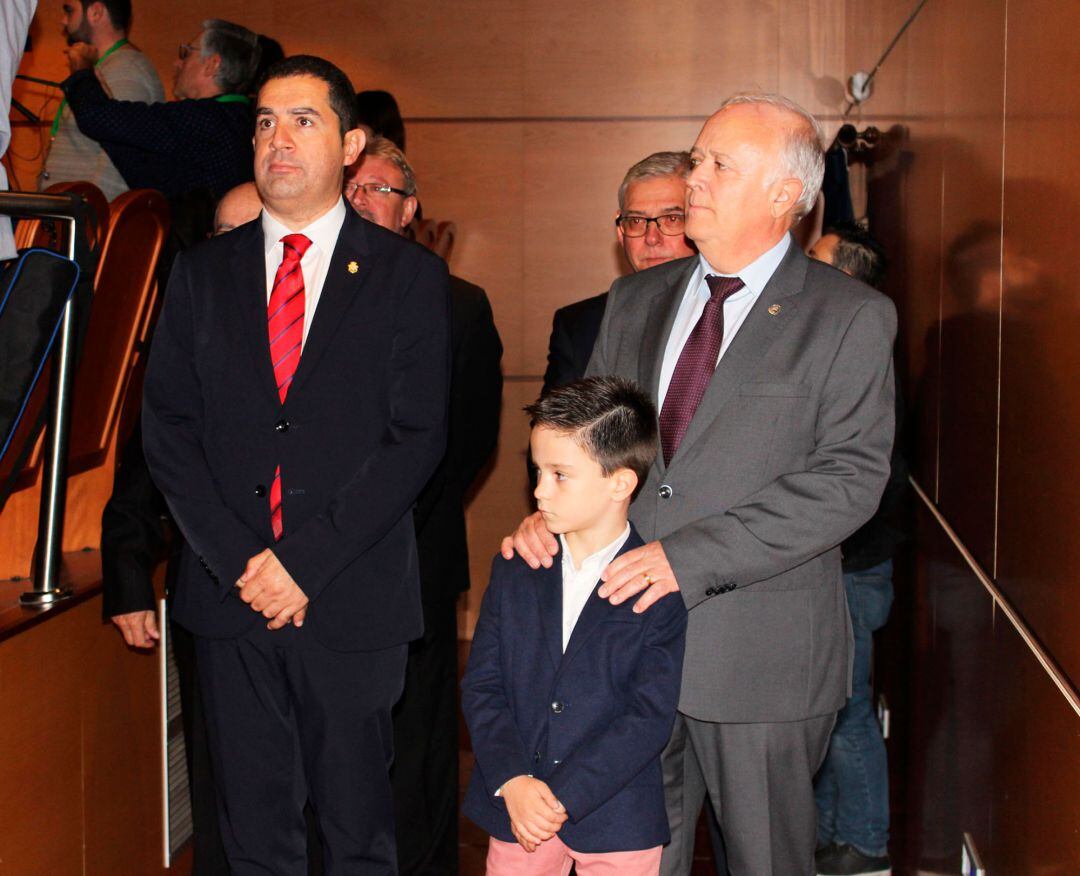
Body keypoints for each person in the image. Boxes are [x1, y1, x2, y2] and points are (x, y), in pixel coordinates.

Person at [503, 93, 897, 876]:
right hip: (628, 652)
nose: (696, 178)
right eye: (697, 158)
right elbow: (596, 442)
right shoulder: (635, 298)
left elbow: (850, 479)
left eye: (721, 164)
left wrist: (690, 557)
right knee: (638, 859)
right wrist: (551, 510)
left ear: (788, 195)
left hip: (761, 659)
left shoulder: (849, 317)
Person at [141, 55, 450, 875]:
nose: (279, 140)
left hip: (348, 601)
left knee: (356, 837)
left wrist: (300, 563)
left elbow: (415, 439)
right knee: (250, 840)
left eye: (303, 121)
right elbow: (167, 430)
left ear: (351, 145)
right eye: (265, 122)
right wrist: (249, 563)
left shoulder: (408, 277)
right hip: (230, 598)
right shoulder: (202, 272)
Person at [345, 134, 503, 875]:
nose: (362, 200)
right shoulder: (300, 299)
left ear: (410, 211)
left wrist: (377, 528)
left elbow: (467, 443)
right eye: (352, 188)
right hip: (315, 567)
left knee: (421, 744)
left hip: (416, 557)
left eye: (380, 189)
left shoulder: (460, 304)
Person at [464, 376, 687, 876]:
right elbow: (483, 685)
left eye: (560, 474)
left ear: (621, 482)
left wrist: (563, 798)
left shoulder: (657, 586)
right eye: (537, 470)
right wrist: (514, 781)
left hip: (616, 815)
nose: (539, 491)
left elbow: (648, 716)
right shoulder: (516, 568)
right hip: (518, 808)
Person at [810, 223, 906, 876]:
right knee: (825, 708)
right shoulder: (835, 342)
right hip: (842, 564)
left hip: (853, 565)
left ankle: (867, 845)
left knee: (845, 711)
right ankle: (825, 836)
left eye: (814, 261)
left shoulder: (860, 350)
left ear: (844, 278)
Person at [543, 151, 694, 394]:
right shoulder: (579, 326)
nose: (652, 238)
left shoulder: (731, 310)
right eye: (636, 221)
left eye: (672, 219)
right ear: (620, 232)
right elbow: (556, 430)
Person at [59, 18, 259, 201]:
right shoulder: (240, 117)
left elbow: (94, 117)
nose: (177, 63)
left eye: (185, 53)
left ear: (212, 64)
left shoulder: (202, 118)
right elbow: (146, 173)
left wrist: (81, 69)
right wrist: (109, 115)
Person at [40, 0, 164, 198]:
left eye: (69, 11)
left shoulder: (126, 69)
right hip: (72, 216)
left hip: (88, 219)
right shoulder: (105, 67)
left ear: (96, 12)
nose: (63, 21)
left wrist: (94, 219)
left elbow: (118, 164)